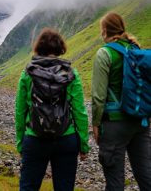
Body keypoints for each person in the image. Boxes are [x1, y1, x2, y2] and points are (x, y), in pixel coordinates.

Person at [16, 28, 90, 191]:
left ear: (39, 48)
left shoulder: (27, 73)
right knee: (64, 187)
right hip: (66, 138)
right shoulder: (71, 73)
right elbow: (80, 111)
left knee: (28, 187)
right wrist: (83, 144)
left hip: (34, 139)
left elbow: (20, 112)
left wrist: (21, 143)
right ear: (60, 48)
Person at [92, 12, 151, 191]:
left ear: (105, 31)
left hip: (113, 125)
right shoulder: (136, 49)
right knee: (147, 177)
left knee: (115, 182)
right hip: (140, 122)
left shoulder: (105, 53)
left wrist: (95, 124)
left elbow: (98, 96)